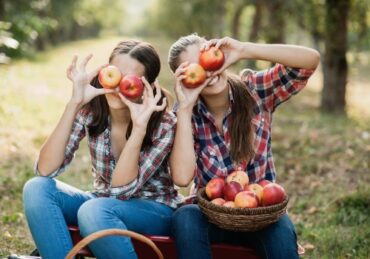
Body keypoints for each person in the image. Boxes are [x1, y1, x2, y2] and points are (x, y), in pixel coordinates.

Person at [23, 40, 180, 259]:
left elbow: (120, 191)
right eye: (114, 73)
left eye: (129, 79)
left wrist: (139, 128)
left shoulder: (164, 124)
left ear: (148, 87)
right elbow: (45, 169)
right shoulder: (92, 112)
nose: (117, 86)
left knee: (94, 210)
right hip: (101, 204)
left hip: (154, 210)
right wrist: (74, 103)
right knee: (37, 188)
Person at [168, 34, 320, 259]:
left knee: (281, 234)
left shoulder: (255, 91)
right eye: (195, 68)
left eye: (207, 58)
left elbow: (309, 61)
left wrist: (244, 50)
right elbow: (181, 178)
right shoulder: (186, 115)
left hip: (260, 215)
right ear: (183, 77)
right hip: (211, 214)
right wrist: (184, 108)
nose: (207, 71)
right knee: (185, 217)